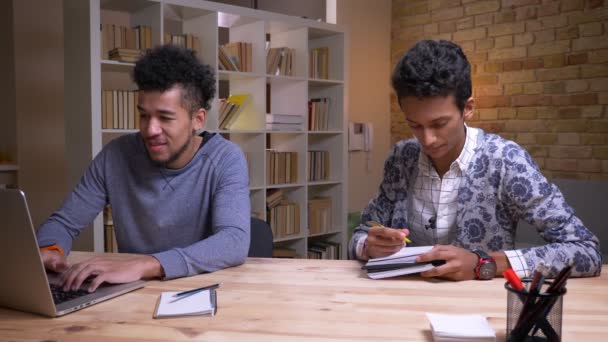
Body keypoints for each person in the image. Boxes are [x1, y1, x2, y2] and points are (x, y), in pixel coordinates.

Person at [348, 40, 601, 280]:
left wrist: (485, 264)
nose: (427, 140)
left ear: (467, 108)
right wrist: (369, 246)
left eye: (439, 124)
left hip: (481, 311)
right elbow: (359, 236)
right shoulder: (401, 157)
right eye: (414, 125)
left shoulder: (506, 160)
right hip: (401, 304)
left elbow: (585, 250)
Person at [37, 45, 250, 292]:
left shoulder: (226, 159)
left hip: (201, 291)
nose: (150, 130)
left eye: (165, 118)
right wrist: (50, 250)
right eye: (144, 116)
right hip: (132, 293)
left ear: (197, 120)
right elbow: (64, 222)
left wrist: (147, 264)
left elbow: (233, 242)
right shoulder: (116, 155)